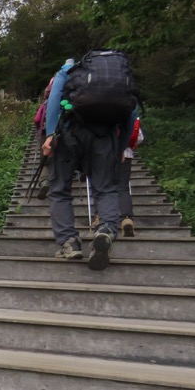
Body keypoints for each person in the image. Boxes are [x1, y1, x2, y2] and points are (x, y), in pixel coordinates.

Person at [42, 55, 136, 271]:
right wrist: (121, 147)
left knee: (59, 188)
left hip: (70, 133)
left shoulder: (68, 71)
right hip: (105, 137)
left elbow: (55, 97)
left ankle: (69, 242)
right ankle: (105, 230)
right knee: (105, 188)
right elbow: (132, 113)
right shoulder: (120, 78)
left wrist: (49, 134)